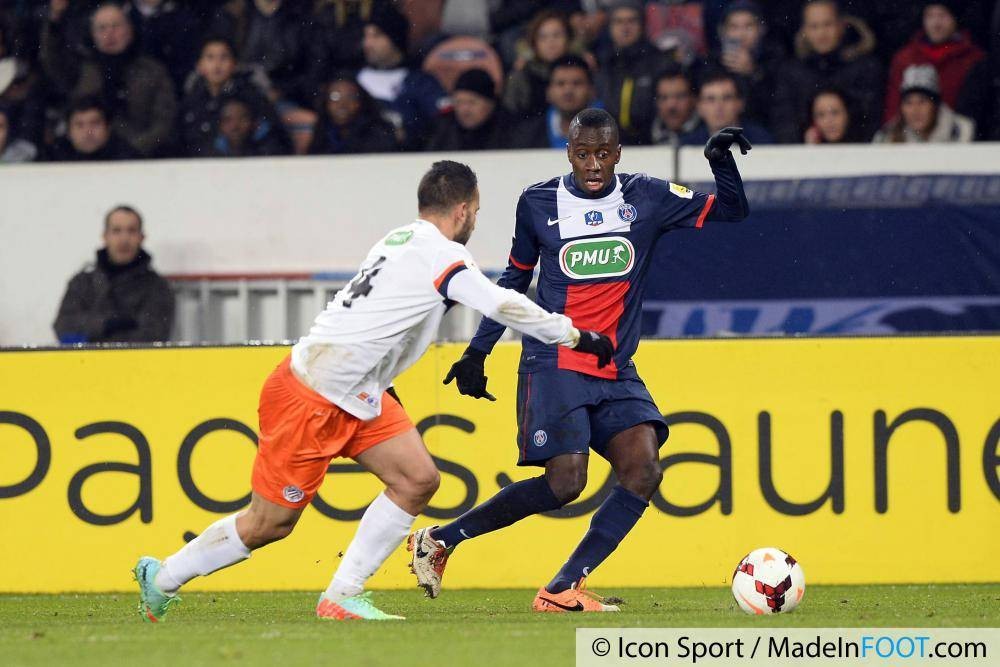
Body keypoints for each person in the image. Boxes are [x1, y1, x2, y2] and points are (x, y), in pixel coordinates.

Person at [132, 161, 615, 622]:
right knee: (270, 524)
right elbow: (500, 302)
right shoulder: (443, 254)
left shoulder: (398, 239)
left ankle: (343, 594)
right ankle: (164, 575)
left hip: (358, 390)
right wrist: (574, 335)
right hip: (313, 392)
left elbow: (379, 320)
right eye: (477, 212)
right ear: (465, 210)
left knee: (417, 479)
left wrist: (385, 382)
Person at [408, 110, 751, 612]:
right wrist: (478, 349)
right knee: (566, 483)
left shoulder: (647, 197)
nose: (594, 164)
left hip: (614, 365)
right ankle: (443, 539)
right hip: (555, 360)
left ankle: (563, 587)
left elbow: (732, 211)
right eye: (583, 154)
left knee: (644, 469)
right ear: (569, 153)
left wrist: (719, 162)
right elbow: (514, 282)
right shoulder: (538, 203)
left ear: (618, 153)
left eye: (603, 154)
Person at [40, 2, 177, 157]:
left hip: (139, 157)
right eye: (102, 28)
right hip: (87, 157)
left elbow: (164, 122)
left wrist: (131, 151)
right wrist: (55, 20)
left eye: (116, 26)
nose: (109, 33)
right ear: (93, 34)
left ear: (130, 30)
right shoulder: (80, 69)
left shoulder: (152, 71)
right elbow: (51, 60)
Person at [53, 205, 174, 344]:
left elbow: (153, 336)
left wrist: (93, 335)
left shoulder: (157, 288)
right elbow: (64, 326)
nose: (124, 239)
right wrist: (107, 323)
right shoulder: (82, 283)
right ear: (105, 236)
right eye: (116, 230)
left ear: (142, 237)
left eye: (131, 230)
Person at [770, 0, 882, 142]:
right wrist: (803, 138)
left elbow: (872, 119)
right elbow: (783, 121)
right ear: (805, 30)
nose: (821, 33)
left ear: (841, 25)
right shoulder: (791, 72)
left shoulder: (866, 68)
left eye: (827, 24)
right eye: (814, 26)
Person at [882, 1, 989, 134]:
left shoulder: (973, 59)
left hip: (958, 139)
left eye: (942, 16)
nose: (936, 24)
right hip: (912, 140)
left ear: (955, 18)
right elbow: (893, 108)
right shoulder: (905, 58)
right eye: (930, 16)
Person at [357, 5, 448, 150]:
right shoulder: (351, 81)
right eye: (366, 36)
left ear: (395, 39)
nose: (367, 44)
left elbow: (441, 127)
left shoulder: (421, 82)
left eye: (376, 36)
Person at [180, 37, 286, 158]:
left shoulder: (251, 96)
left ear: (234, 64)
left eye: (224, 57)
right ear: (200, 65)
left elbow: (271, 136)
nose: (217, 64)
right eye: (210, 57)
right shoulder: (192, 99)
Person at [595, 0, 674, 145]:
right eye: (618, 22)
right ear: (610, 27)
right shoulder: (602, 64)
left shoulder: (660, 62)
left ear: (642, 25)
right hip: (611, 146)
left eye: (631, 21)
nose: (625, 28)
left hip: (653, 144)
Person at [703, 0, 784, 126]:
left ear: (761, 29)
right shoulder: (712, 62)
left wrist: (753, 73)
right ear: (723, 32)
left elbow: (777, 106)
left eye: (748, 26)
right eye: (734, 27)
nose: (741, 35)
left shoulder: (775, 59)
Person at [503, 10, 577, 120]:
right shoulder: (522, 74)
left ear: (568, 38)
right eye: (543, 37)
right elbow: (511, 112)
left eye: (557, 35)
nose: (551, 42)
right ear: (534, 43)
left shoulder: (580, 68)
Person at [873, 63, 974, 143]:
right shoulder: (886, 137)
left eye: (922, 101)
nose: (915, 110)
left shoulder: (962, 131)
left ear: (935, 106)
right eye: (908, 103)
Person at [516, 55, 599, 149]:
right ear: (548, 92)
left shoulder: (612, 132)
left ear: (591, 91)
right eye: (560, 84)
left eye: (577, 83)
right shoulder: (527, 135)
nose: (568, 91)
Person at [426, 69, 518, 151]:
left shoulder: (513, 130)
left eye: (472, 102)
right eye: (459, 102)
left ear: (491, 103)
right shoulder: (442, 130)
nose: (464, 110)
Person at [307, 75, 398, 155]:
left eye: (350, 97)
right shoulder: (322, 130)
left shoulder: (378, 131)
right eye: (335, 97)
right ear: (325, 101)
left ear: (360, 101)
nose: (342, 104)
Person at [680, 70, 773, 146]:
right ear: (699, 107)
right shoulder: (687, 145)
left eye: (727, 98)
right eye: (711, 99)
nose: (719, 106)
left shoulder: (761, 140)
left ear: (740, 104)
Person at [46, 97, 138, 161]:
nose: (88, 132)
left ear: (108, 128)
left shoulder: (129, 158)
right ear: (68, 132)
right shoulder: (52, 157)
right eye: (79, 125)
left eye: (95, 123)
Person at [649, 67, 699, 146]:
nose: (671, 105)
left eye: (679, 96)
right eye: (664, 97)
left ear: (693, 99)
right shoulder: (644, 137)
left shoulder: (710, 139)